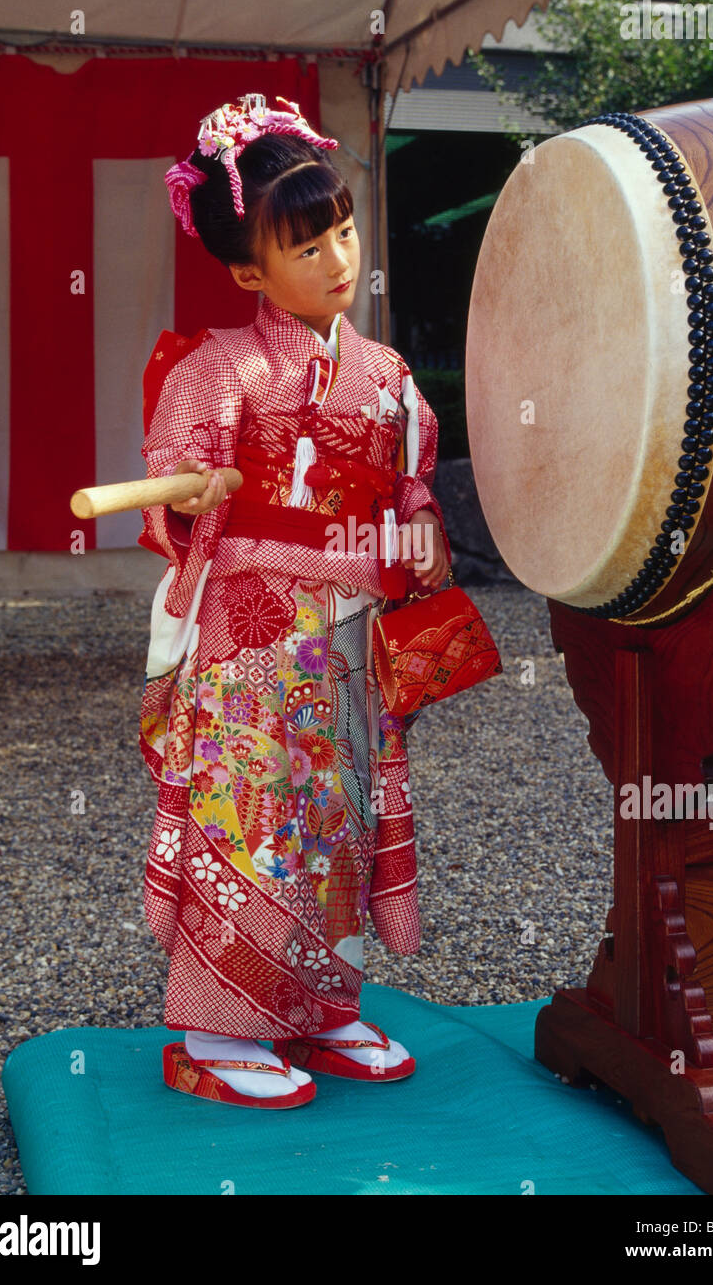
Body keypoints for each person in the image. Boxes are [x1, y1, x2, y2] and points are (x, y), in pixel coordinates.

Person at [138, 93, 450, 1108]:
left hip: (350, 633)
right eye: (304, 242)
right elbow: (175, 485)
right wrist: (190, 494)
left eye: (343, 230)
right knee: (253, 816)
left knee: (338, 820)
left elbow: (411, 488)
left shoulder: (389, 376)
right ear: (246, 271)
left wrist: (416, 522)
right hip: (253, 638)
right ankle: (214, 1031)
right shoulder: (219, 371)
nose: (335, 256)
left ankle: (318, 1007)